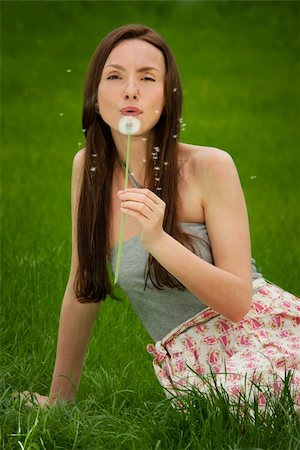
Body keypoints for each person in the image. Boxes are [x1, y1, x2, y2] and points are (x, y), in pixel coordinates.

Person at [20, 24, 299, 409]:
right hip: (190, 360)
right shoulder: (89, 168)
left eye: (148, 78)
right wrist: (59, 398)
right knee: (227, 407)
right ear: (95, 96)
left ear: (168, 98)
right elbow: (83, 285)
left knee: (264, 395)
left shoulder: (210, 166)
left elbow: (238, 302)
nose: (130, 89)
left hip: (259, 332)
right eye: (115, 76)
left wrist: (159, 241)